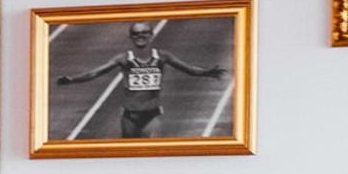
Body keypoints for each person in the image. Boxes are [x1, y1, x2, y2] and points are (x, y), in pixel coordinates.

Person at [53, 18, 225, 141]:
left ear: (151, 35)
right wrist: (71, 79)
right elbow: (96, 73)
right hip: (130, 115)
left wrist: (207, 72)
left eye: (144, 33)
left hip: (152, 114)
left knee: (153, 149)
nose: (140, 36)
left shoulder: (162, 56)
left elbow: (188, 69)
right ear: (131, 37)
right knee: (129, 152)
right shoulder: (124, 58)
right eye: (136, 34)